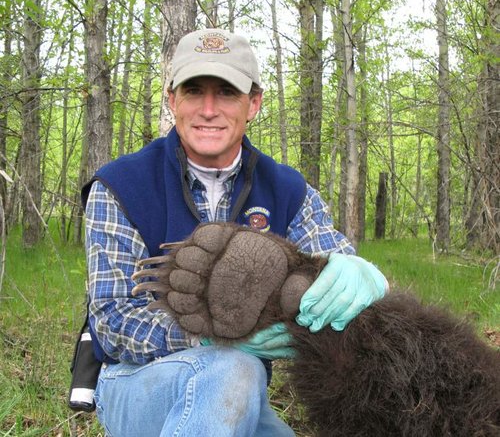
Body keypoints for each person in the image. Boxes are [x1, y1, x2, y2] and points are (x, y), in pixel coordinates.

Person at [82, 28, 388, 437]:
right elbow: (112, 320)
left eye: (226, 93)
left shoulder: (287, 191)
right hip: (135, 385)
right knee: (235, 367)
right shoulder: (121, 186)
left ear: (254, 103)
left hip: (241, 393)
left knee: (237, 376)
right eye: (193, 91)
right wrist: (213, 339)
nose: (209, 109)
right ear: (172, 100)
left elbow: (331, 260)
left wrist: (356, 271)